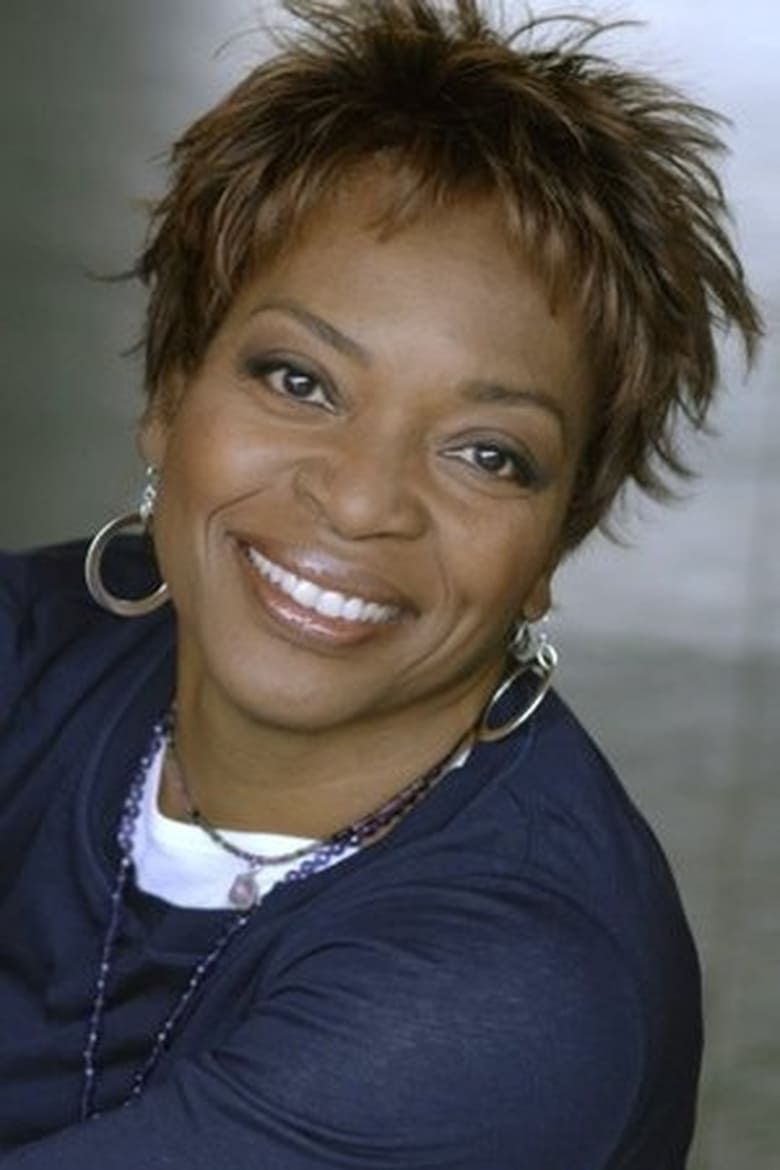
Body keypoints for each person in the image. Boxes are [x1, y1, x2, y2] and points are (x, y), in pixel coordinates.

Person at [0, 2, 762, 1167]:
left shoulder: (505, 1002)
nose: (361, 501)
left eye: (487, 453)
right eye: (299, 380)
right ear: (170, 393)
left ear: (554, 546)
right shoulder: (34, 645)